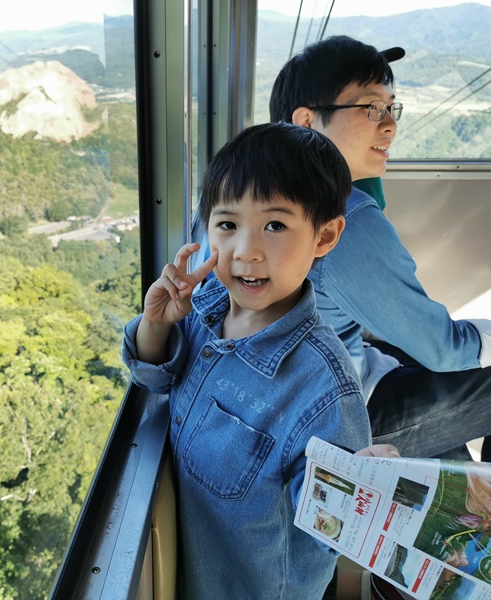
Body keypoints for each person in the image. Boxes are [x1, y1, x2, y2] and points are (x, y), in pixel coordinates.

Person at [122, 122, 391, 599]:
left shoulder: (322, 387)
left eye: (275, 225)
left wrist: (366, 489)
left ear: (324, 236)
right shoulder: (203, 309)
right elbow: (153, 376)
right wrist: (157, 323)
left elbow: (331, 530)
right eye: (227, 224)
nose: (245, 251)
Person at [267, 34, 491, 467]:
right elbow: (447, 349)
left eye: (390, 107)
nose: (389, 125)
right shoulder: (344, 216)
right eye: (370, 109)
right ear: (307, 122)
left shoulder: (249, 192)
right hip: (340, 424)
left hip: (290, 407)